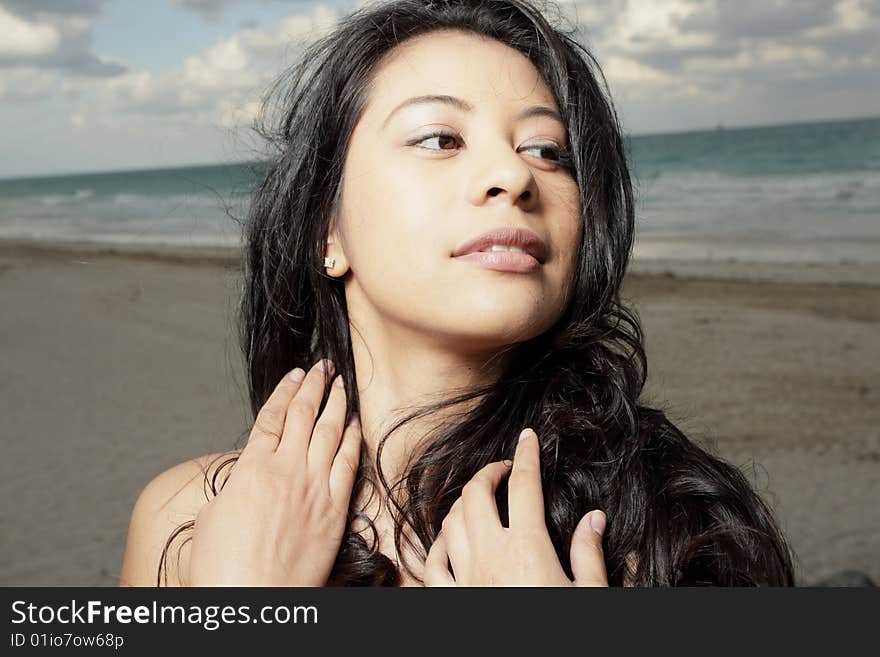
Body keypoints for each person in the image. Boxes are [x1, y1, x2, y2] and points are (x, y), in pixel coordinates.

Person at [119, 0, 795, 587]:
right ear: (328, 230)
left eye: (547, 151)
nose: (512, 173)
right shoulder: (185, 520)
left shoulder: (679, 523)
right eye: (441, 137)